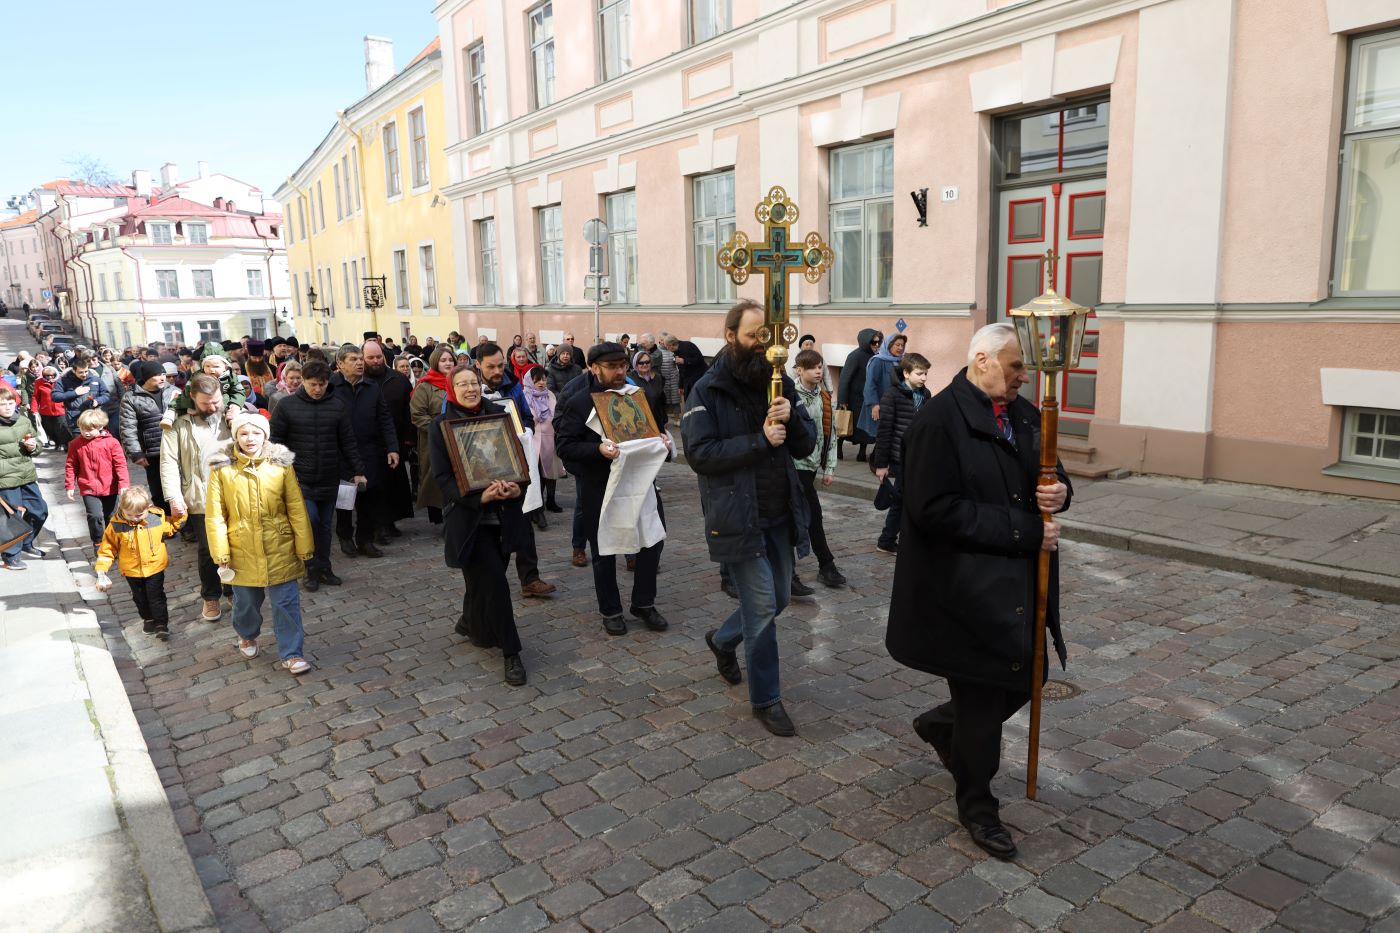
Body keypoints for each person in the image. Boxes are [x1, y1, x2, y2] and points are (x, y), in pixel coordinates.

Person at [886, 323, 1071, 861]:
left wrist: (1060, 490)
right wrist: (1027, 530)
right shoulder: (938, 423)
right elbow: (933, 511)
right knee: (983, 699)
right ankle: (977, 805)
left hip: (1016, 588)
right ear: (984, 360)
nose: (1024, 376)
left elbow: (1049, 471)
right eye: (1016, 366)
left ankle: (941, 726)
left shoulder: (1026, 413)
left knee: (1026, 678)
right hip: (963, 593)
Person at [682, 299, 815, 737]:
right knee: (761, 608)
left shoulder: (778, 382)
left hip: (778, 512)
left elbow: (803, 446)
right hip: (737, 515)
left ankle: (722, 640)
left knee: (777, 600)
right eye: (755, 335)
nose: (764, 344)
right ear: (731, 336)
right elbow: (700, 454)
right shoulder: (708, 389)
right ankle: (767, 699)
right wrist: (758, 439)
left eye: (770, 335)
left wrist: (790, 418)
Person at [555, 342, 669, 636]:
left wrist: (663, 442)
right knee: (604, 549)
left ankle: (644, 603)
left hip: (640, 483)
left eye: (623, 366)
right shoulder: (578, 401)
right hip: (599, 486)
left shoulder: (637, 395)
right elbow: (565, 446)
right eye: (613, 367)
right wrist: (597, 449)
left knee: (652, 540)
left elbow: (653, 429)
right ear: (594, 368)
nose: (620, 372)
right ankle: (611, 610)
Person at [429, 364, 529, 684]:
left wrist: (517, 489)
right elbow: (443, 478)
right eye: (463, 385)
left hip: (503, 516)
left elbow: (517, 462)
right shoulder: (441, 425)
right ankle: (511, 653)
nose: (471, 389)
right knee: (496, 583)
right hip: (470, 518)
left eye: (474, 382)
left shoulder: (499, 417)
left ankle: (470, 621)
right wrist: (477, 499)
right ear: (452, 390)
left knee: (482, 581)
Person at [207, 411, 316, 675]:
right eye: (243, 433)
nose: (250, 438)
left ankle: (292, 653)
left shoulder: (280, 465)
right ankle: (246, 633)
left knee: (286, 604)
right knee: (246, 604)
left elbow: (295, 506)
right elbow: (215, 514)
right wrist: (221, 550)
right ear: (235, 437)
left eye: (256, 432)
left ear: (265, 435)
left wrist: (304, 544)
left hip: (279, 545)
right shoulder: (222, 469)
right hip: (241, 548)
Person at [270, 360, 366, 591]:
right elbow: (275, 441)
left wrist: (358, 471)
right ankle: (309, 568)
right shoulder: (287, 406)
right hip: (299, 479)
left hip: (329, 476)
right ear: (303, 381)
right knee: (309, 522)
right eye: (312, 384)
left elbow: (348, 441)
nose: (317, 389)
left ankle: (324, 568)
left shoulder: (337, 405)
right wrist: (280, 472)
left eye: (321, 385)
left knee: (324, 526)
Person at [477, 344, 556, 598]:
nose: (498, 370)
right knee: (490, 528)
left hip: (513, 462)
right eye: (491, 366)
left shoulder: (512, 386)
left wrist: (522, 432)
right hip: (480, 469)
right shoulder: (466, 385)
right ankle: (492, 582)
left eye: (501, 365)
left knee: (522, 522)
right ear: (478, 364)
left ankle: (530, 578)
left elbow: (525, 416)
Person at [159, 373, 233, 621]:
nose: (212, 408)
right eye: (206, 403)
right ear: (192, 397)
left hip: (233, 494)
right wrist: (173, 497)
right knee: (210, 549)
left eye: (216, 402)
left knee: (235, 544)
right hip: (201, 495)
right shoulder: (178, 423)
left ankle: (233, 589)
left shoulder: (230, 415)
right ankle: (211, 597)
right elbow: (168, 461)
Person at [329, 345, 398, 558]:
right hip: (341, 454)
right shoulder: (331, 387)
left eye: (360, 359)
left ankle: (365, 539)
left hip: (370, 451)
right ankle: (345, 536)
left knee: (369, 499)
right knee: (345, 500)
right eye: (353, 359)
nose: (360, 363)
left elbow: (384, 418)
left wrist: (392, 447)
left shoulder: (372, 387)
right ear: (340, 364)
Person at [94, 486, 182, 639]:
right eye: (130, 515)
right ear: (122, 509)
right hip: (132, 570)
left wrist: (180, 516)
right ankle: (148, 619)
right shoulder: (116, 525)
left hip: (155, 566)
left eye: (139, 514)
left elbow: (170, 528)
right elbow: (107, 549)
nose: (135, 518)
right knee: (140, 597)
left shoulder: (155, 517)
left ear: (148, 507)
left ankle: (161, 624)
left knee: (156, 596)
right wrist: (102, 570)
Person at [792, 348, 846, 588]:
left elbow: (830, 433)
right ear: (799, 370)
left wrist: (830, 467)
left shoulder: (824, 397)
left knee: (804, 515)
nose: (818, 371)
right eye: (812, 367)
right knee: (809, 515)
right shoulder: (790, 394)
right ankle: (825, 565)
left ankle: (817, 566)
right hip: (793, 465)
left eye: (820, 367)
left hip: (812, 465)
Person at [872, 352, 931, 555]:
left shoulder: (925, 394)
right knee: (902, 500)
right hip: (899, 457)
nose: (924, 378)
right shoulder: (892, 395)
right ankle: (887, 539)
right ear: (906, 373)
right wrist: (881, 464)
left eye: (926, 374)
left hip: (918, 456)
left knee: (907, 499)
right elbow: (885, 430)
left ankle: (890, 539)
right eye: (920, 373)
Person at [363, 340, 415, 539]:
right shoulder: (360, 380)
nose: (375, 361)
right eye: (371, 358)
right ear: (364, 358)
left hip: (395, 440)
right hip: (370, 443)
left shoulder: (398, 380)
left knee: (395, 484)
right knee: (377, 486)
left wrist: (409, 439)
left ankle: (392, 521)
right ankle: (378, 524)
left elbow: (407, 411)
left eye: (378, 357)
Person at [0, 384, 47, 569]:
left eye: (10, 403)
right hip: (5, 478)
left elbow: (37, 444)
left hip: (26, 474)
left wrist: (34, 447)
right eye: (3, 404)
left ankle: (26, 542)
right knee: (12, 517)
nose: (8, 407)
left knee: (40, 510)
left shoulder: (23, 420)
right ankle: (11, 557)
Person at [65, 409, 129, 543]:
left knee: (111, 516)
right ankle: (98, 541)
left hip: (109, 486)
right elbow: (71, 465)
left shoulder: (112, 443)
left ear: (100, 427)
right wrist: (70, 485)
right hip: (88, 487)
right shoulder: (75, 444)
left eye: (90, 429)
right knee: (95, 516)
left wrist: (123, 484)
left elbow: (120, 465)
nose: (86, 432)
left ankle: (113, 542)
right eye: (83, 429)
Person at [120, 361, 175, 510]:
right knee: (159, 491)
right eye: (157, 375)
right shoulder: (131, 398)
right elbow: (128, 428)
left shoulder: (174, 391)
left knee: (180, 487)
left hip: (177, 448)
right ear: (146, 378)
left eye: (163, 374)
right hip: (153, 451)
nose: (163, 378)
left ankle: (185, 525)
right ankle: (165, 525)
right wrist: (136, 453)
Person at [410, 347, 454, 526]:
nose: (448, 363)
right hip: (435, 440)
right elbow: (417, 415)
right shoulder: (425, 386)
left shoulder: (460, 381)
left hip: (458, 438)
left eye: (450, 360)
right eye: (443, 360)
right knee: (437, 478)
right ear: (435, 362)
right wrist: (440, 429)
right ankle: (442, 517)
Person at [161, 345, 245, 429]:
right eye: (207, 366)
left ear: (225, 367)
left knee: (232, 411)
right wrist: (186, 404)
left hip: (223, 403)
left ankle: (231, 422)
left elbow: (239, 391)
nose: (211, 369)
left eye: (216, 366)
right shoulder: (197, 375)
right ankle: (170, 415)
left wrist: (235, 404)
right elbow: (188, 390)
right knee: (178, 400)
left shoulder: (230, 377)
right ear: (203, 366)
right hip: (198, 402)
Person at [520, 365, 565, 517]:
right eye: (537, 380)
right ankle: (536, 509)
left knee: (552, 471)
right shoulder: (524, 396)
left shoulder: (550, 395)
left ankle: (551, 500)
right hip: (535, 440)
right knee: (537, 473)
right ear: (530, 380)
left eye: (544, 379)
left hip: (551, 438)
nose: (541, 383)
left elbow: (557, 413)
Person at [838, 328, 881, 461]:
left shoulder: (876, 357)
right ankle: (838, 448)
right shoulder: (855, 356)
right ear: (865, 341)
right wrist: (842, 400)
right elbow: (845, 378)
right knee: (846, 425)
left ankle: (861, 453)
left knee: (864, 428)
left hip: (866, 399)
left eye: (879, 342)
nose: (877, 345)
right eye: (873, 342)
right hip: (852, 399)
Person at [859, 332, 906, 441]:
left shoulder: (902, 362)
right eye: (897, 345)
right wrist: (874, 404)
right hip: (881, 404)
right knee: (882, 435)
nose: (900, 348)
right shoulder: (877, 361)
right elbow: (870, 384)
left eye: (902, 345)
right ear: (889, 345)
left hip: (897, 404)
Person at [52, 350, 110, 435]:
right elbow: (55, 396)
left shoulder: (95, 379)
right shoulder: (64, 381)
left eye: (86, 371)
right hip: (75, 420)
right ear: (74, 371)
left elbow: (106, 395)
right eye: (81, 372)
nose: (84, 374)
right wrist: (75, 393)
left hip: (94, 418)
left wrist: (97, 401)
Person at [31, 365, 67, 450]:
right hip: (46, 410)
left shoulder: (61, 381)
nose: (50, 377)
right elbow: (35, 397)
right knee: (49, 428)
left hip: (60, 409)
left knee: (61, 427)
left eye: (52, 375)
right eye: (47, 375)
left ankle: (63, 443)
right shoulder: (39, 382)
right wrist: (34, 409)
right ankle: (56, 442)